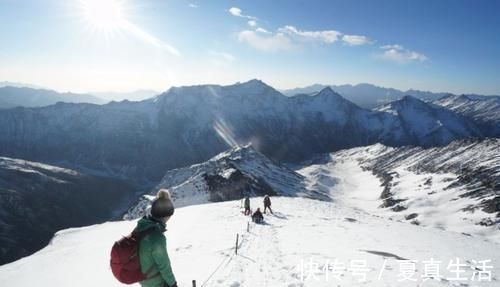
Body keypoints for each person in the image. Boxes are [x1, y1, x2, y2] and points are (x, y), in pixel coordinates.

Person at [134, 189, 177, 287]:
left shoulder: (141, 226)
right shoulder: (157, 237)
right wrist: (173, 284)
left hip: (142, 278)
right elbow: (164, 265)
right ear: (166, 215)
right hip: (155, 281)